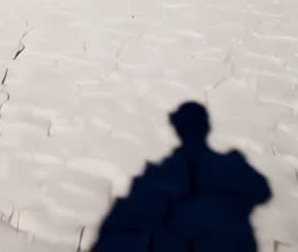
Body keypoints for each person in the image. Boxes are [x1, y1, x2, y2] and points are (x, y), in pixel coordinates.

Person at [92, 101, 272, 251]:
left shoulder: (157, 177)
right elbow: (263, 192)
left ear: (178, 130)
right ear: (207, 127)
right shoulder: (232, 165)